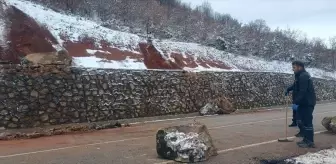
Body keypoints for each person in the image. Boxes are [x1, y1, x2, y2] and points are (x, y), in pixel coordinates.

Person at [285, 61, 316, 148]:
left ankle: (310, 141)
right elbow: (295, 85)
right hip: (303, 103)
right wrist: (288, 89)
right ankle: (306, 139)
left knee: (307, 122)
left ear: (300, 67)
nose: (293, 69)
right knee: (302, 121)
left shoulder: (304, 76)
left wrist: (296, 102)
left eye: (294, 67)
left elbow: (303, 91)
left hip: (307, 103)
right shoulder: (299, 76)